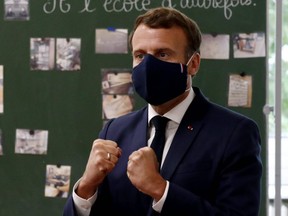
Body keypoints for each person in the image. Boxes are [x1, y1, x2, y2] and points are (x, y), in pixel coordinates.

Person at [63, 7, 262, 216]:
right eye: (140, 55)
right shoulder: (115, 131)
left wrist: (161, 189)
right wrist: (86, 186)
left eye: (163, 54)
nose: (148, 65)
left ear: (193, 64)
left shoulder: (234, 133)